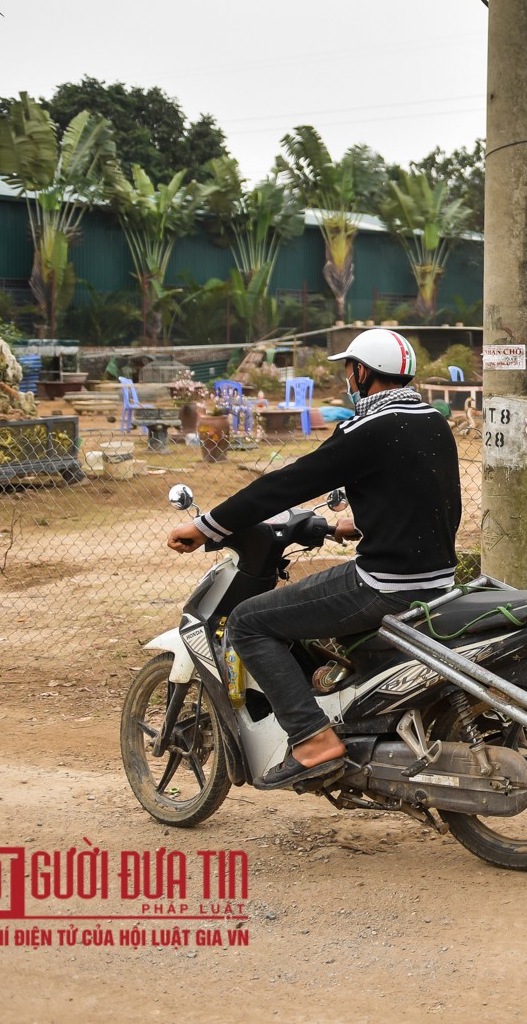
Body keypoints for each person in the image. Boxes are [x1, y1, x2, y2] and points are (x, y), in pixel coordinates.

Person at [165, 329, 461, 788]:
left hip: (385, 584)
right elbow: (422, 496)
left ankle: (311, 740)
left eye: (349, 369)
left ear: (363, 373)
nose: (347, 377)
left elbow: (286, 485)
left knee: (247, 622)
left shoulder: (367, 428)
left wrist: (206, 527)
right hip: (437, 580)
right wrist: (355, 525)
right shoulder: (432, 419)